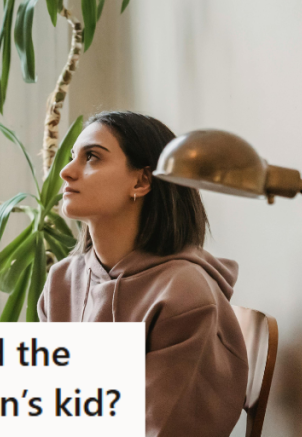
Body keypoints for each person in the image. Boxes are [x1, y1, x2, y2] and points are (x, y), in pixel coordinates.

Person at [37, 111, 248, 436]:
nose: (66, 172)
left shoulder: (184, 295)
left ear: (141, 181)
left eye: (91, 157)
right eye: (71, 157)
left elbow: (163, 428)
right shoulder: (62, 282)